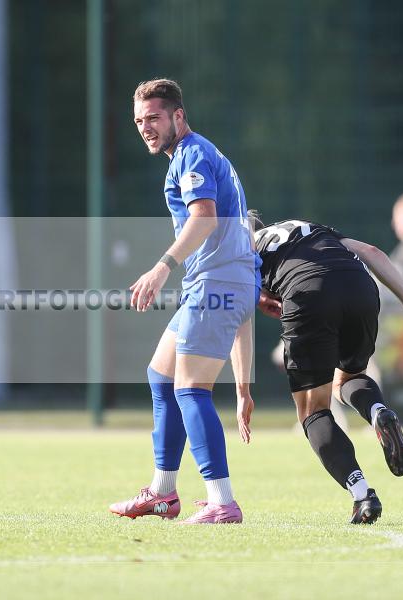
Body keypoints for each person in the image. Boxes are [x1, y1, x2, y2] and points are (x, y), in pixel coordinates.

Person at [108, 78, 260, 524]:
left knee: (190, 389)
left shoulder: (192, 153)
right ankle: (163, 493)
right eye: (138, 121)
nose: (145, 128)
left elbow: (205, 217)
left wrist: (162, 267)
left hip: (216, 283)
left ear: (178, 115)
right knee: (161, 375)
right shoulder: (196, 154)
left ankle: (222, 502)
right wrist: (245, 386)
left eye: (153, 117)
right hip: (217, 283)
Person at [242, 216, 403, 524]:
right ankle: (377, 410)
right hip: (359, 286)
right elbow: (373, 252)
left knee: (313, 411)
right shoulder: (305, 228)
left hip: (308, 292)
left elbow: (241, 297)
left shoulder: (242, 247)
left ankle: (363, 495)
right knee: (349, 376)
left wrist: (242, 388)